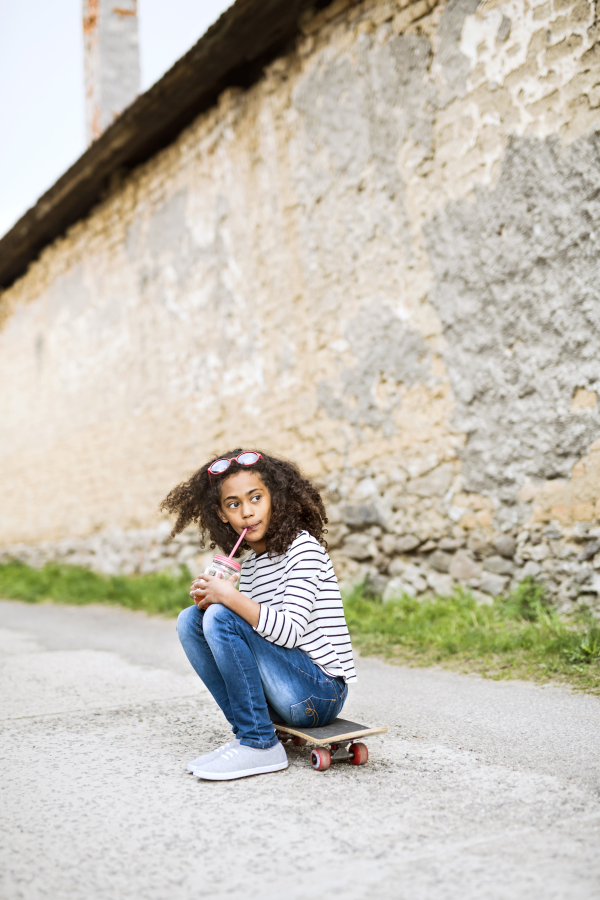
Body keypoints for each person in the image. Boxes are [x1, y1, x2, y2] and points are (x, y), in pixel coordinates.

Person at [160, 449, 356, 781]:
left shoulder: (303, 550)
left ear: (275, 500)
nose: (247, 512)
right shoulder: (249, 566)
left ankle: (259, 744)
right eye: (234, 504)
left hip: (320, 691)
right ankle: (249, 732)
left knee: (222, 615)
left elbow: (290, 633)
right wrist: (215, 600)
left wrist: (230, 601)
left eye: (256, 498)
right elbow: (247, 638)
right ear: (222, 515)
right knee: (191, 620)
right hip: (281, 690)